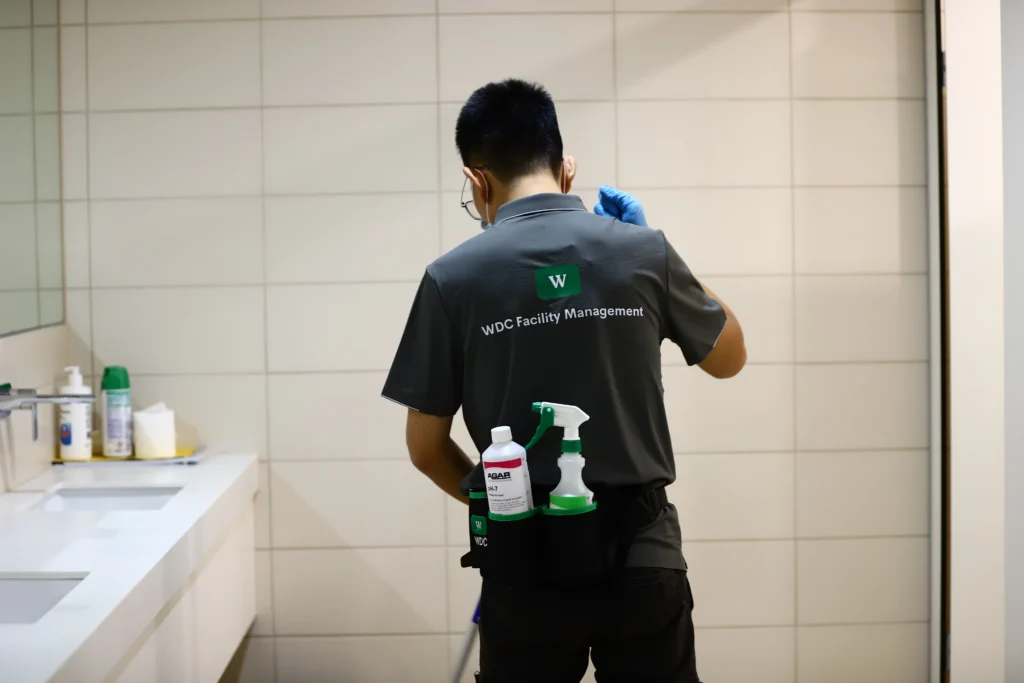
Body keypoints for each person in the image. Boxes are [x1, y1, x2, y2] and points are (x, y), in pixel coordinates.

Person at [382, 79, 746, 683]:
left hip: (524, 568)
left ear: (478, 180)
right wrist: (661, 259)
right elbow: (728, 357)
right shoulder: (643, 252)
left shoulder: (451, 279)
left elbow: (424, 449)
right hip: (643, 558)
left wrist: (503, 503)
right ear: (564, 167)